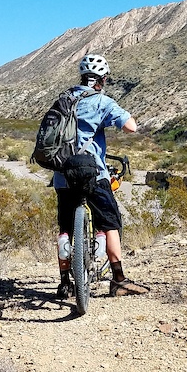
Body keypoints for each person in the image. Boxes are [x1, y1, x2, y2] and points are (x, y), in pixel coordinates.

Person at [54, 53, 149, 299]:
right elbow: (131, 127)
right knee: (109, 224)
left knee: (65, 227)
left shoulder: (64, 99)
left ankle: (64, 282)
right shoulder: (102, 102)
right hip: (93, 172)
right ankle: (119, 280)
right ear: (103, 79)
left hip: (62, 173)